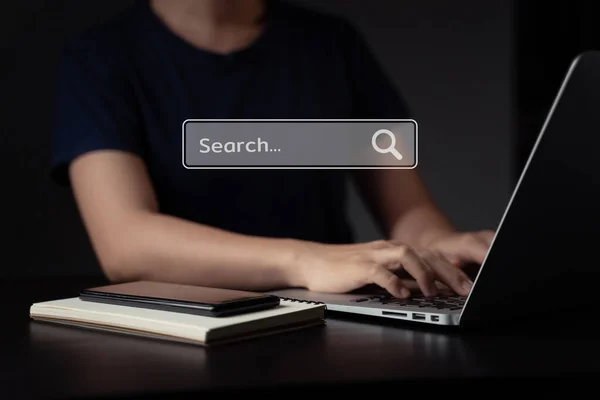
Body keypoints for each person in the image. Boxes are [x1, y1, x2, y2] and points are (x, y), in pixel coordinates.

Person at [51, 0, 494, 299]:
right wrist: (303, 261)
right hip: (185, 329)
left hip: (329, 318)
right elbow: (126, 243)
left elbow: (407, 207)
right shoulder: (100, 60)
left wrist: (439, 244)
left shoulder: (331, 45)